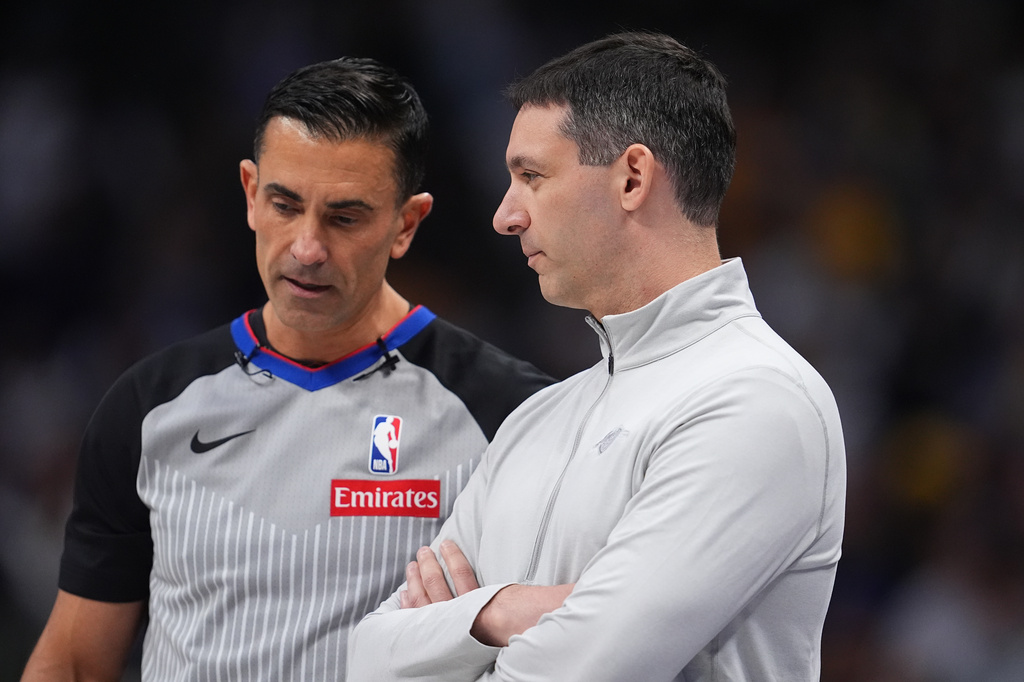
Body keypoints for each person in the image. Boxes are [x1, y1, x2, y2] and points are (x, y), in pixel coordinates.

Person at [20, 57, 552, 681]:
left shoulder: (511, 417)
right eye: (284, 204)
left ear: (406, 224)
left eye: (344, 216)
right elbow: (76, 662)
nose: (306, 248)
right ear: (250, 194)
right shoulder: (148, 409)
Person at [348, 31, 847, 681]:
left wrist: (445, 637)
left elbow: (580, 673)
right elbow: (365, 658)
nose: (505, 215)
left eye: (532, 176)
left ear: (633, 178)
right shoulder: (536, 421)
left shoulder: (758, 401)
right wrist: (497, 611)